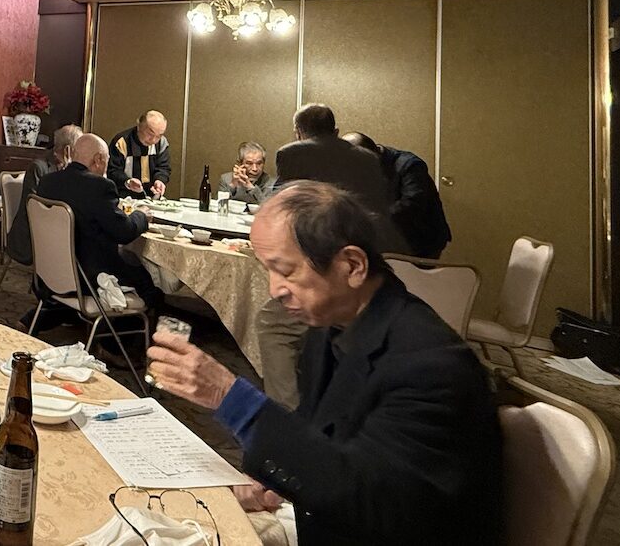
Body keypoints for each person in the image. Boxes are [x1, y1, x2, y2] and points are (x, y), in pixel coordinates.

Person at [146, 182, 502, 546]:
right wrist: (273, 479)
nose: (274, 289)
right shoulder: (331, 328)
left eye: (286, 271)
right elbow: (323, 438)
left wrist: (232, 399)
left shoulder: (430, 365)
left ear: (352, 266)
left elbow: (372, 503)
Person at [260, 104, 395, 406]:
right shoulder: (369, 159)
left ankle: (287, 414)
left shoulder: (292, 154)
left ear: (298, 132)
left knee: (273, 324)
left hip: (322, 269)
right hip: (369, 270)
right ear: (335, 131)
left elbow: (279, 210)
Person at [34, 134, 163, 312]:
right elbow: (124, 232)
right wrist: (140, 215)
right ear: (98, 159)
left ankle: (53, 315)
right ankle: (142, 326)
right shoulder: (100, 186)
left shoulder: (48, 182)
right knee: (148, 280)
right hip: (90, 277)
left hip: (49, 272)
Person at [9, 125, 83, 331]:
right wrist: (68, 176)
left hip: (58, 232)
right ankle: (58, 303)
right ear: (68, 149)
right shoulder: (39, 167)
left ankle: (64, 306)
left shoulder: (72, 168)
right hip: (33, 233)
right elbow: (39, 208)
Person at [343, 132, 452, 259]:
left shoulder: (409, 165)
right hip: (387, 239)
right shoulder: (361, 166)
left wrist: (373, 219)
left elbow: (413, 204)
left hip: (421, 239)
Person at [107, 110, 171, 199]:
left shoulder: (161, 143)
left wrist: (160, 180)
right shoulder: (122, 142)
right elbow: (112, 170)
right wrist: (127, 181)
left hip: (151, 197)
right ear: (139, 126)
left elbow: (163, 167)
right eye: (150, 134)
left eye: (159, 136)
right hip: (123, 196)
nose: (153, 140)